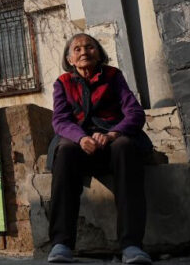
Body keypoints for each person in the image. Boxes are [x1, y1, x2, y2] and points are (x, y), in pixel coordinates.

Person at [48, 34, 152, 264]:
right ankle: (61, 243)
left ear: (99, 52)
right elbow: (61, 120)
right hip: (78, 144)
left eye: (89, 47)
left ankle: (132, 245)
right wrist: (81, 138)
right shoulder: (62, 82)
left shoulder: (113, 76)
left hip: (112, 141)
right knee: (64, 152)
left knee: (125, 146)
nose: (84, 51)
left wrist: (114, 133)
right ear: (70, 58)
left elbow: (134, 112)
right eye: (77, 49)